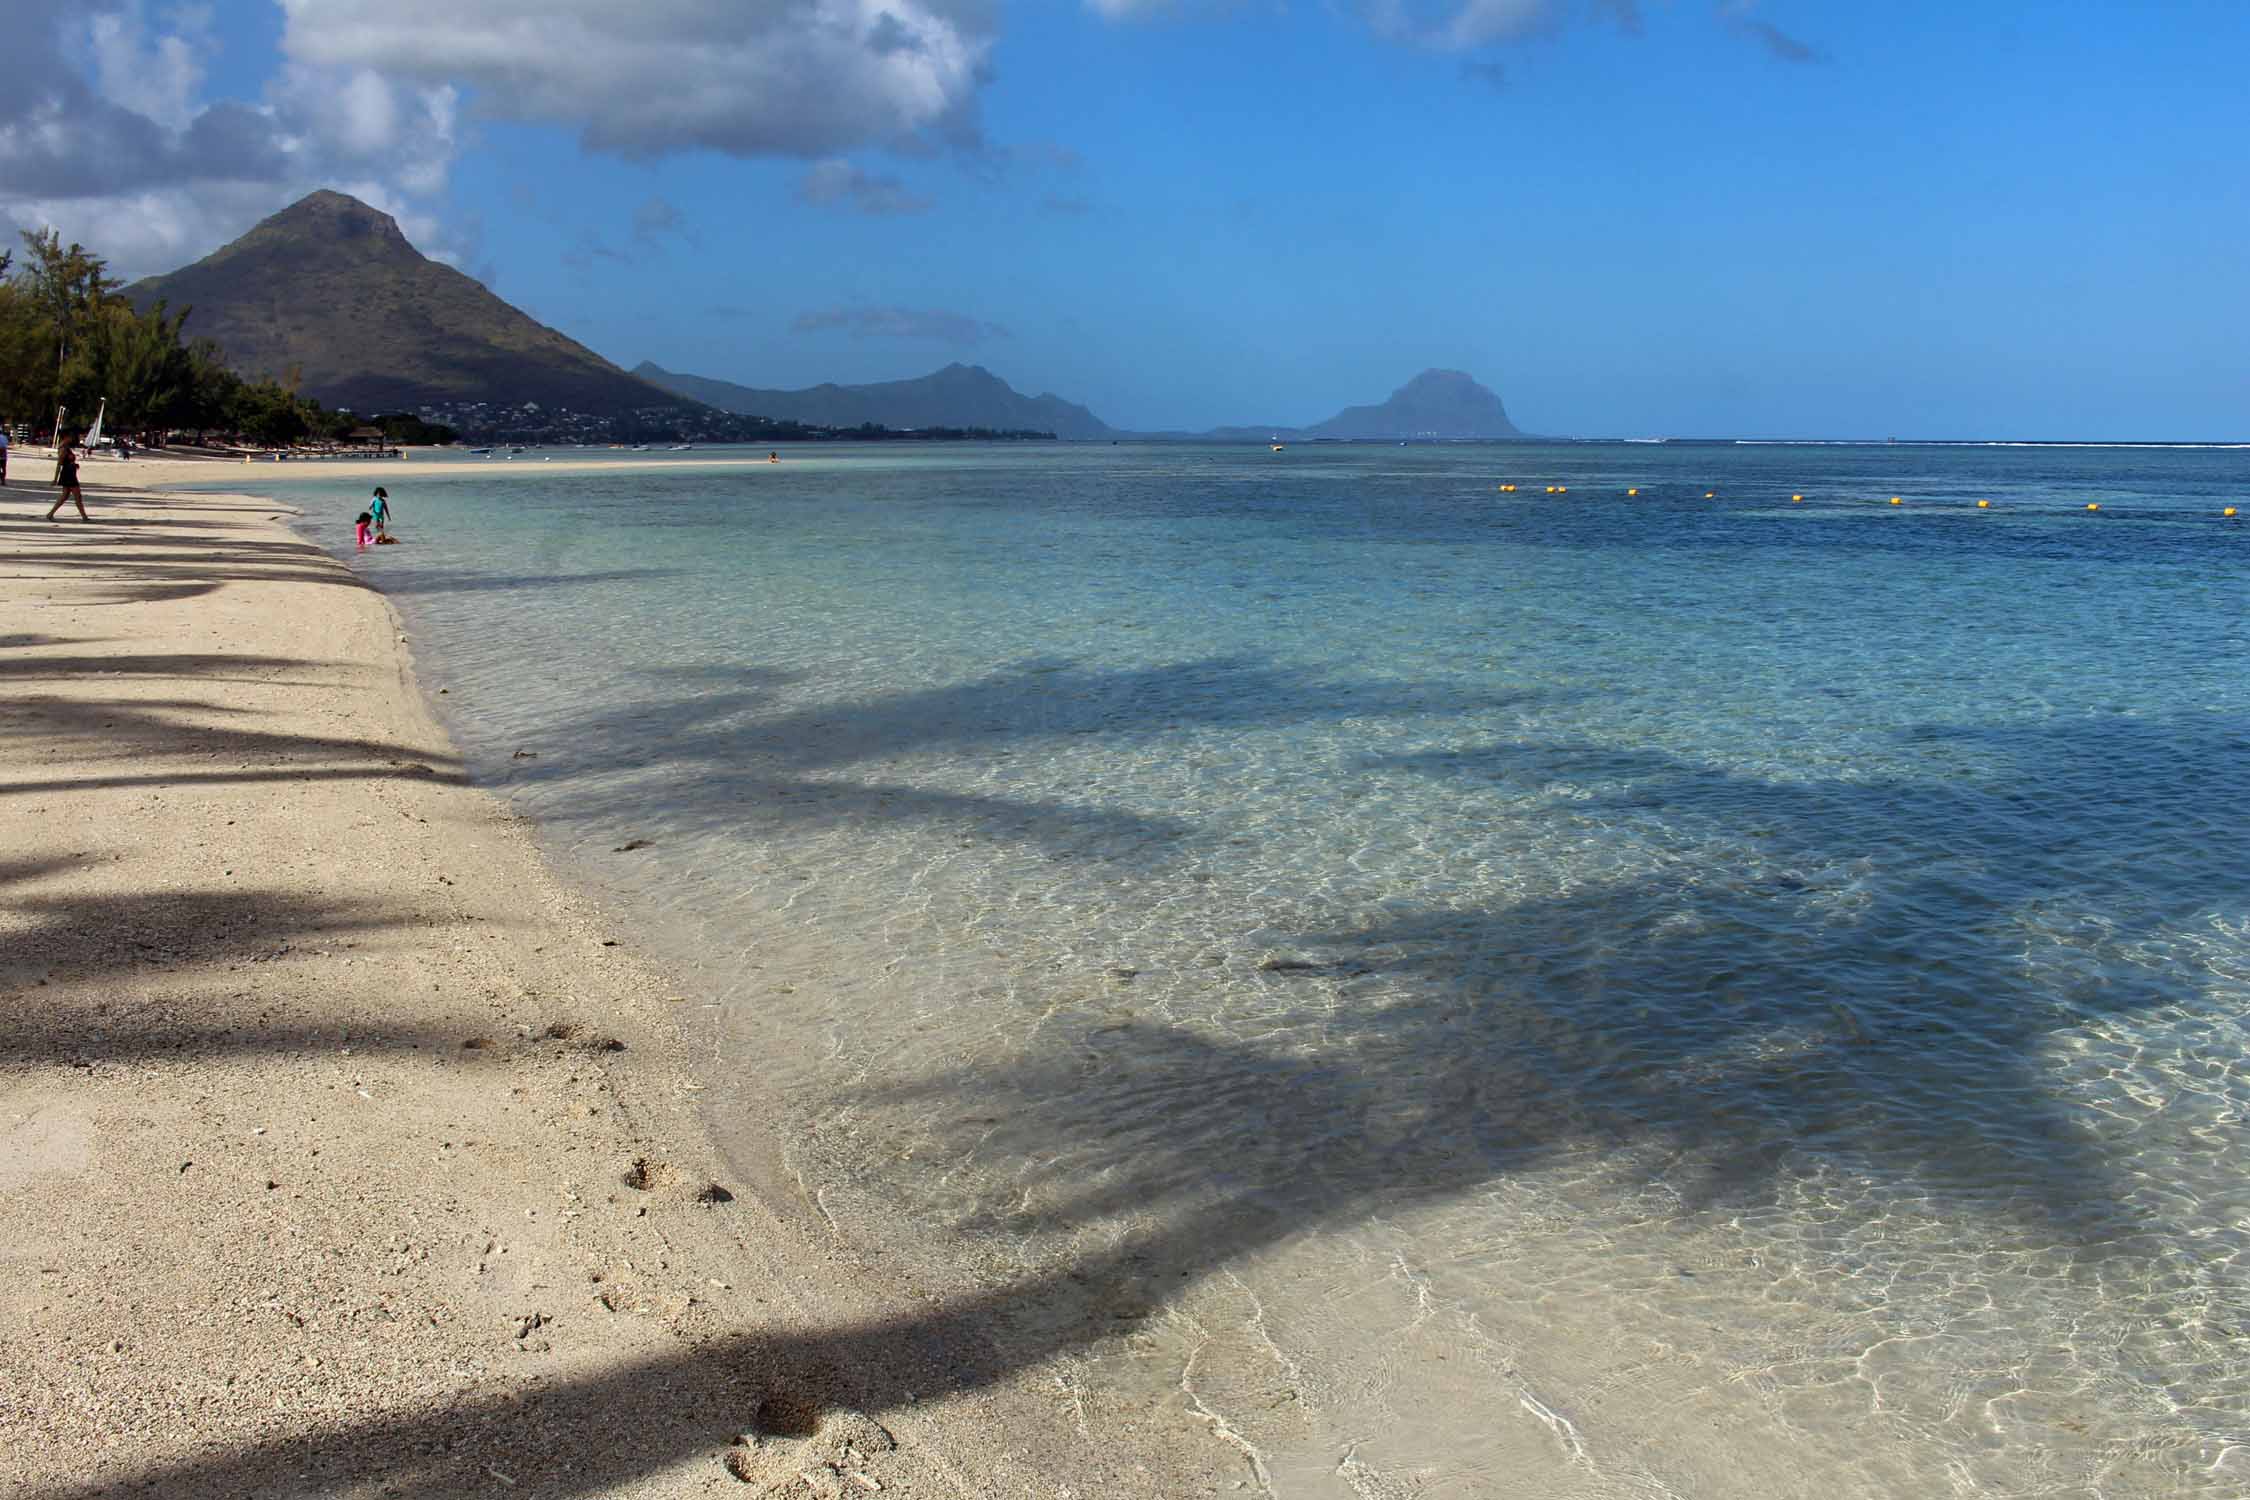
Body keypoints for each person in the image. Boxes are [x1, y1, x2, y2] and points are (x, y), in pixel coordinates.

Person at [45, 433, 86, 522]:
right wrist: (55, 479)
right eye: (71, 437)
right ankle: (84, 517)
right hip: (68, 475)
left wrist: (74, 465)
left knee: (65, 496)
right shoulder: (63, 449)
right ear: (66, 437)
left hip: (69, 473)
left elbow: (65, 462)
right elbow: (59, 464)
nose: (72, 438)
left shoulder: (65, 447)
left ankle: (50, 514)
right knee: (77, 496)